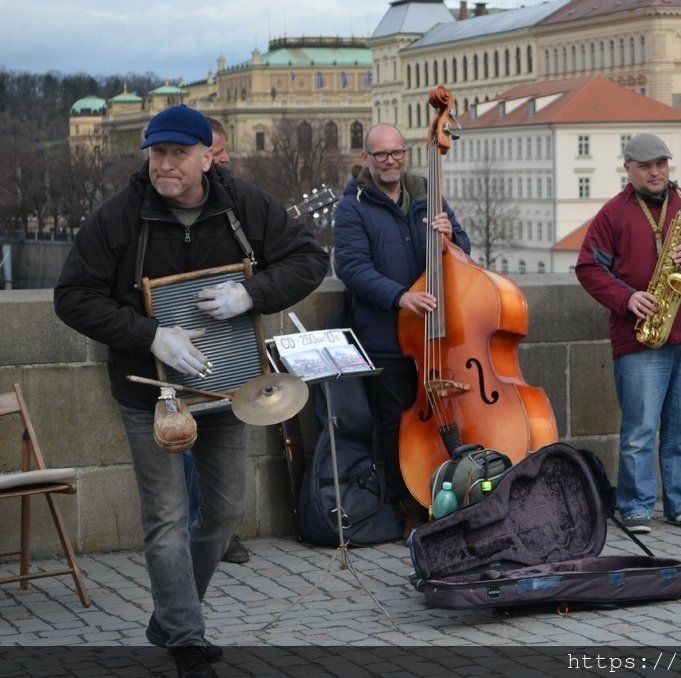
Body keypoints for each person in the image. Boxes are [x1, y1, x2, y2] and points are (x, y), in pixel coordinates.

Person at [54, 104, 329, 678]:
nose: (166, 165)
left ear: (209, 156)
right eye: (158, 153)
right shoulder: (120, 216)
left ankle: (169, 615)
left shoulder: (244, 205)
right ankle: (186, 639)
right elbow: (73, 297)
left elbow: (309, 259)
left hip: (229, 389)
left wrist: (251, 293)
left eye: (180, 154)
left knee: (225, 512)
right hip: (153, 396)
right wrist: (150, 333)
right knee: (166, 517)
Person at [575, 132, 681, 535]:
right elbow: (589, 268)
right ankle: (635, 506)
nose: (655, 172)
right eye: (646, 166)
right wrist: (627, 299)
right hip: (642, 335)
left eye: (661, 164)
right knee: (640, 429)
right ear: (628, 169)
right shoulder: (613, 213)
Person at [333, 122, 470, 538]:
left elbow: (464, 252)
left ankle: (457, 496)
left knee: (450, 415)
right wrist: (400, 298)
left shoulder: (428, 193)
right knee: (397, 424)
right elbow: (352, 269)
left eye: (396, 153)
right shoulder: (352, 206)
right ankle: (408, 504)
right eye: (381, 155)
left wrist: (451, 238)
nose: (390, 161)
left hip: (437, 333)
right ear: (366, 159)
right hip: (387, 337)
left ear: (406, 154)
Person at [181, 115, 250, 567]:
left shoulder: (237, 201)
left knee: (225, 441)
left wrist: (250, 288)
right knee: (183, 447)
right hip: (173, 348)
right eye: (217, 153)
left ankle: (221, 531)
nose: (223, 160)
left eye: (224, 153)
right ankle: (197, 532)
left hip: (225, 344)